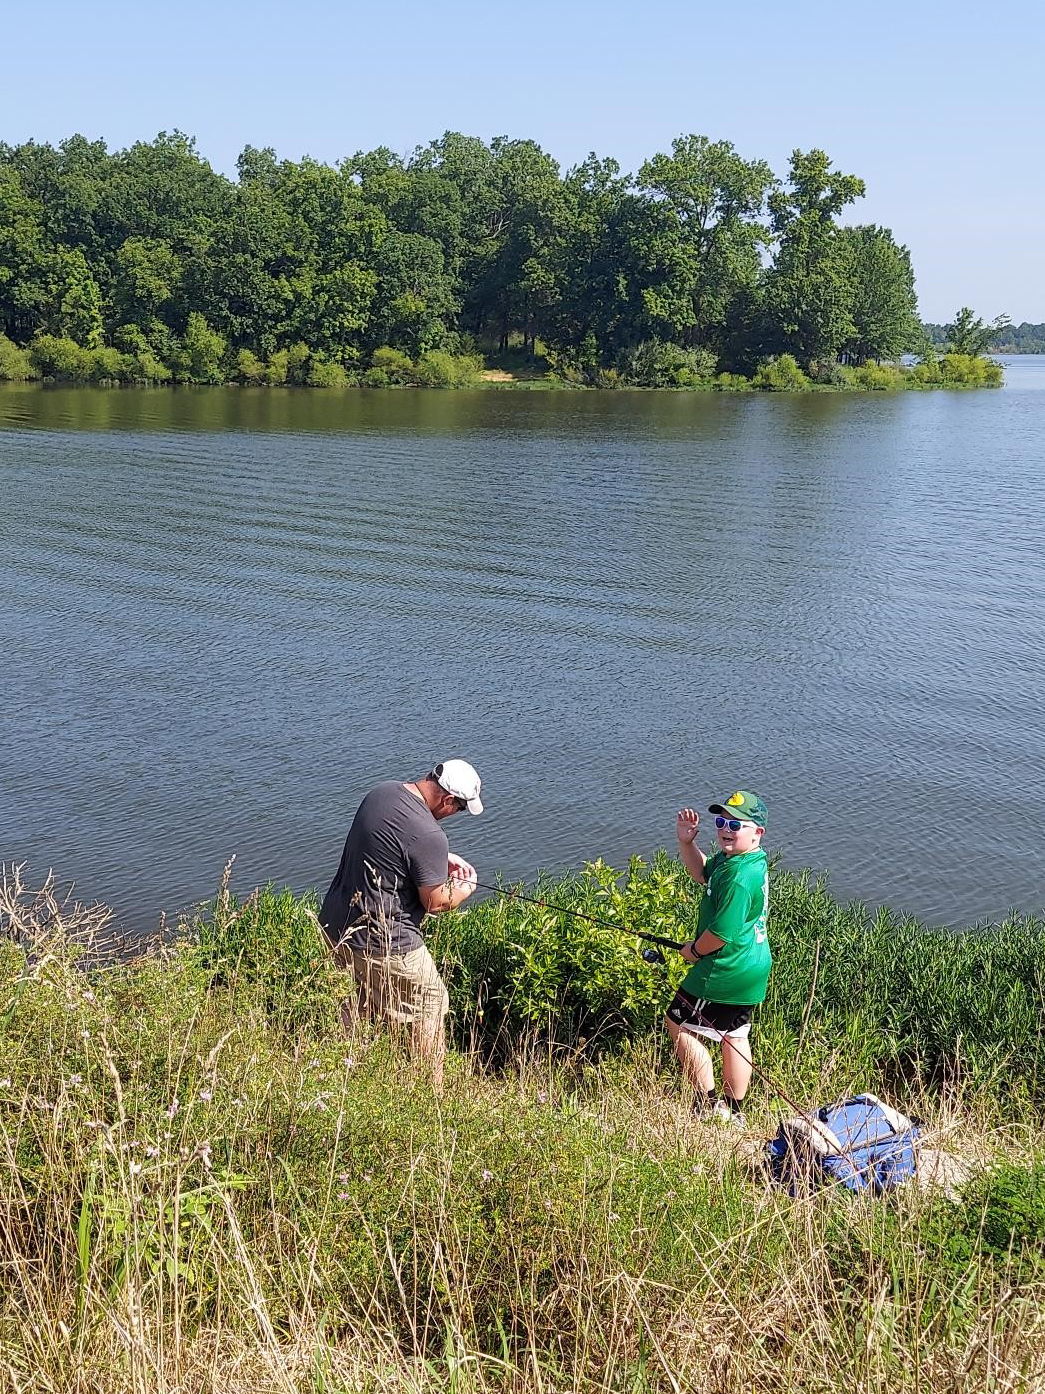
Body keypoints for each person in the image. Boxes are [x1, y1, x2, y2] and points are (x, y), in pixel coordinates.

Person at [318, 759, 483, 1091]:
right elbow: (435, 901)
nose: (456, 815)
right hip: (385, 941)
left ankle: (346, 1076)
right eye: (460, 809)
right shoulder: (429, 834)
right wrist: (466, 888)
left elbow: (387, 843)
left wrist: (435, 861)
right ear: (448, 800)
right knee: (431, 1001)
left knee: (362, 1002)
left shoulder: (382, 792)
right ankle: (428, 1093)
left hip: (336, 925)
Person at [666, 789, 770, 1128]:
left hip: (724, 968)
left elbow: (721, 933)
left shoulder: (740, 876)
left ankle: (706, 1105)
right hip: (750, 966)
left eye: (736, 824)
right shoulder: (743, 860)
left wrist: (693, 951)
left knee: (678, 1023)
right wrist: (686, 843)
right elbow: (702, 874)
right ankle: (733, 1112)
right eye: (722, 821)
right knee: (735, 1035)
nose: (726, 828)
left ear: (757, 832)